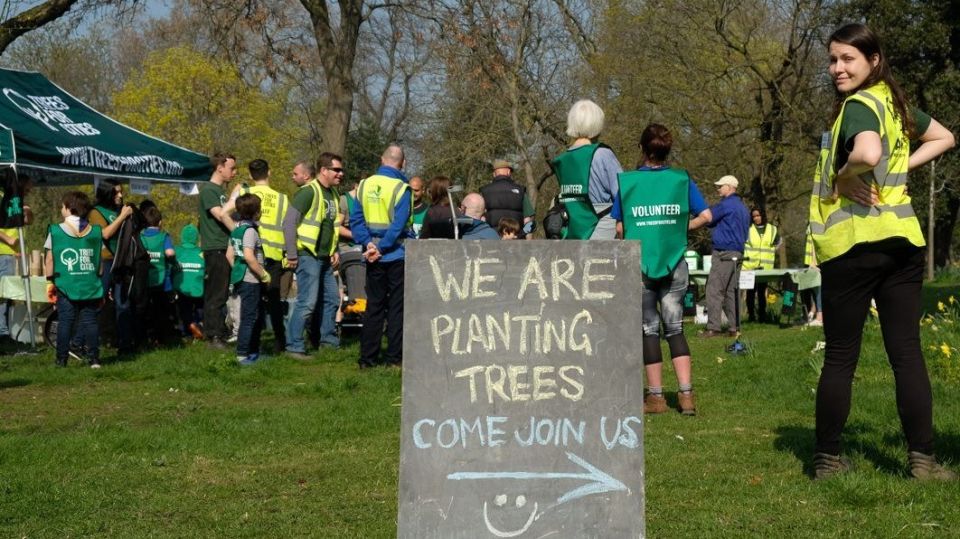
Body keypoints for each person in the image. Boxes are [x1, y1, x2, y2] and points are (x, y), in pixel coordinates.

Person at [809, 23, 956, 481]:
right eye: (833, 60)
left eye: (847, 59)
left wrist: (846, 176)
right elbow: (946, 137)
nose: (837, 68)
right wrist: (900, 164)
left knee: (840, 356)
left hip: (853, 247)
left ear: (873, 61)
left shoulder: (857, 107)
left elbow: (869, 153)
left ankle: (828, 461)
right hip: (902, 245)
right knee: (907, 354)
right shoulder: (897, 106)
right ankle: (923, 462)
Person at [613, 123, 712, 416]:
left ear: (642, 148)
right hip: (675, 262)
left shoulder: (628, 183)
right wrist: (680, 229)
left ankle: (655, 398)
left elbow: (620, 227)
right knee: (676, 327)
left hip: (641, 265)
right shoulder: (681, 180)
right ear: (667, 150)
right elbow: (706, 215)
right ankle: (686, 395)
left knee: (649, 329)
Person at [350, 143, 413, 368]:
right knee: (396, 308)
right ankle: (393, 358)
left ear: (381, 159)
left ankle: (367, 359)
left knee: (373, 306)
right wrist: (383, 248)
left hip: (371, 254)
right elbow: (398, 225)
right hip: (395, 254)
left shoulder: (364, 185)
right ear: (402, 163)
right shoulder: (401, 188)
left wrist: (369, 244)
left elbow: (355, 220)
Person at [226, 159, 291, 353]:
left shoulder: (245, 193)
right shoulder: (282, 198)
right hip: (274, 254)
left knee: (252, 304)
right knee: (275, 302)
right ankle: (280, 343)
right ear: (269, 172)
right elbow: (288, 227)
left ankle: (252, 345)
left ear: (251, 174)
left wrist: (236, 231)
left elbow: (223, 213)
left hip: (251, 254)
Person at [283, 155, 342, 359]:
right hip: (308, 255)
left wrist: (334, 250)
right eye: (336, 170)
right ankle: (294, 346)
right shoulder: (308, 192)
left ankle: (328, 342)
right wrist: (292, 254)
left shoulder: (333, 194)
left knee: (333, 299)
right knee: (307, 302)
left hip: (325, 258)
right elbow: (289, 222)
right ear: (323, 170)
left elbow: (332, 227)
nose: (340, 174)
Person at [44, 192, 103, 368]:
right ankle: (94, 359)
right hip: (89, 283)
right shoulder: (95, 231)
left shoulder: (56, 230)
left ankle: (61, 360)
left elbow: (50, 259)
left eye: (62, 206)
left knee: (65, 322)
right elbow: (98, 260)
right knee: (90, 321)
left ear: (69, 208)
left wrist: (49, 281)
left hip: (65, 284)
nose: (61, 209)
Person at [551, 99, 623, 240]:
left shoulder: (563, 159)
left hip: (572, 230)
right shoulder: (603, 154)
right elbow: (623, 194)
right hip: (602, 230)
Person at [86, 180, 135, 351]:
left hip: (121, 261)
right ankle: (88, 343)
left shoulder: (118, 210)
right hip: (105, 262)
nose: (120, 196)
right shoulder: (95, 212)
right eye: (116, 193)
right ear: (107, 193)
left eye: (121, 192)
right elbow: (105, 234)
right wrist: (122, 217)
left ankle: (125, 345)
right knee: (98, 301)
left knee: (123, 303)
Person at [699, 175, 750, 338]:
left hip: (723, 252)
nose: (718, 188)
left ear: (729, 187)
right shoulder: (743, 208)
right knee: (731, 291)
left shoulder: (726, 205)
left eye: (721, 186)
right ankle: (734, 328)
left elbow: (708, 218)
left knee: (714, 289)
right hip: (738, 252)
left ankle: (713, 327)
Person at [198, 152, 238, 348]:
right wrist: (238, 232)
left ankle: (220, 331)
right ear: (219, 167)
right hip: (216, 247)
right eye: (232, 168)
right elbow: (220, 215)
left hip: (226, 246)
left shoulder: (221, 193)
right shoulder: (209, 191)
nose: (234, 172)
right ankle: (213, 335)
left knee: (223, 292)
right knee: (216, 292)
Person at [228, 194, 270, 365]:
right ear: (256, 212)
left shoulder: (236, 229)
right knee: (249, 317)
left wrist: (238, 269)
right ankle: (243, 354)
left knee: (253, 315)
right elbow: (249, 256)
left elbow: (229, 255)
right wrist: (264, 274)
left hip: (243, 277)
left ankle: (253, 351)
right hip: (251, 279)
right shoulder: (250, 231)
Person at [138, 205, 177, 345]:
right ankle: (162, 338)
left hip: (144, 280)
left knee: (145, 310)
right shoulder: (163, 236)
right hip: (161, 281)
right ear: (160, 222)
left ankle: (146, 338)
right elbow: (170, 253)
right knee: (161, 311)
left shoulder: (140, 236)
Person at [480, 159, 535, 238]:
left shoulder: (484, 191)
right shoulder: (520, 191)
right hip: (515, 240)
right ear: (509, 172)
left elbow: (481, 218)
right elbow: (527, 220)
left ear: (494, 174)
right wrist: (522, 236)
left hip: (492, 239)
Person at [742, 207, 780, 323]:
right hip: (750, 266)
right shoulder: (748, 230)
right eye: (754, 216)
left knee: (762, 291)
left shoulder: (772, 229)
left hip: (765, 267)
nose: (756, 218)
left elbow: (778, 243)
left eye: (758, 215)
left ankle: (762, 316)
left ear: (762, 216)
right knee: (750, 293)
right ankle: (751, 316)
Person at [172, 224, 204, 339]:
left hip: (182, 290)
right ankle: (199, 325)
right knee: (200, 308)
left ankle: (186, 332)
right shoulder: (202, 253)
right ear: (196, 238)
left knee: (183, 310)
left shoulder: (176, 251)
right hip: (199, 289)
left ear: (182, 237)